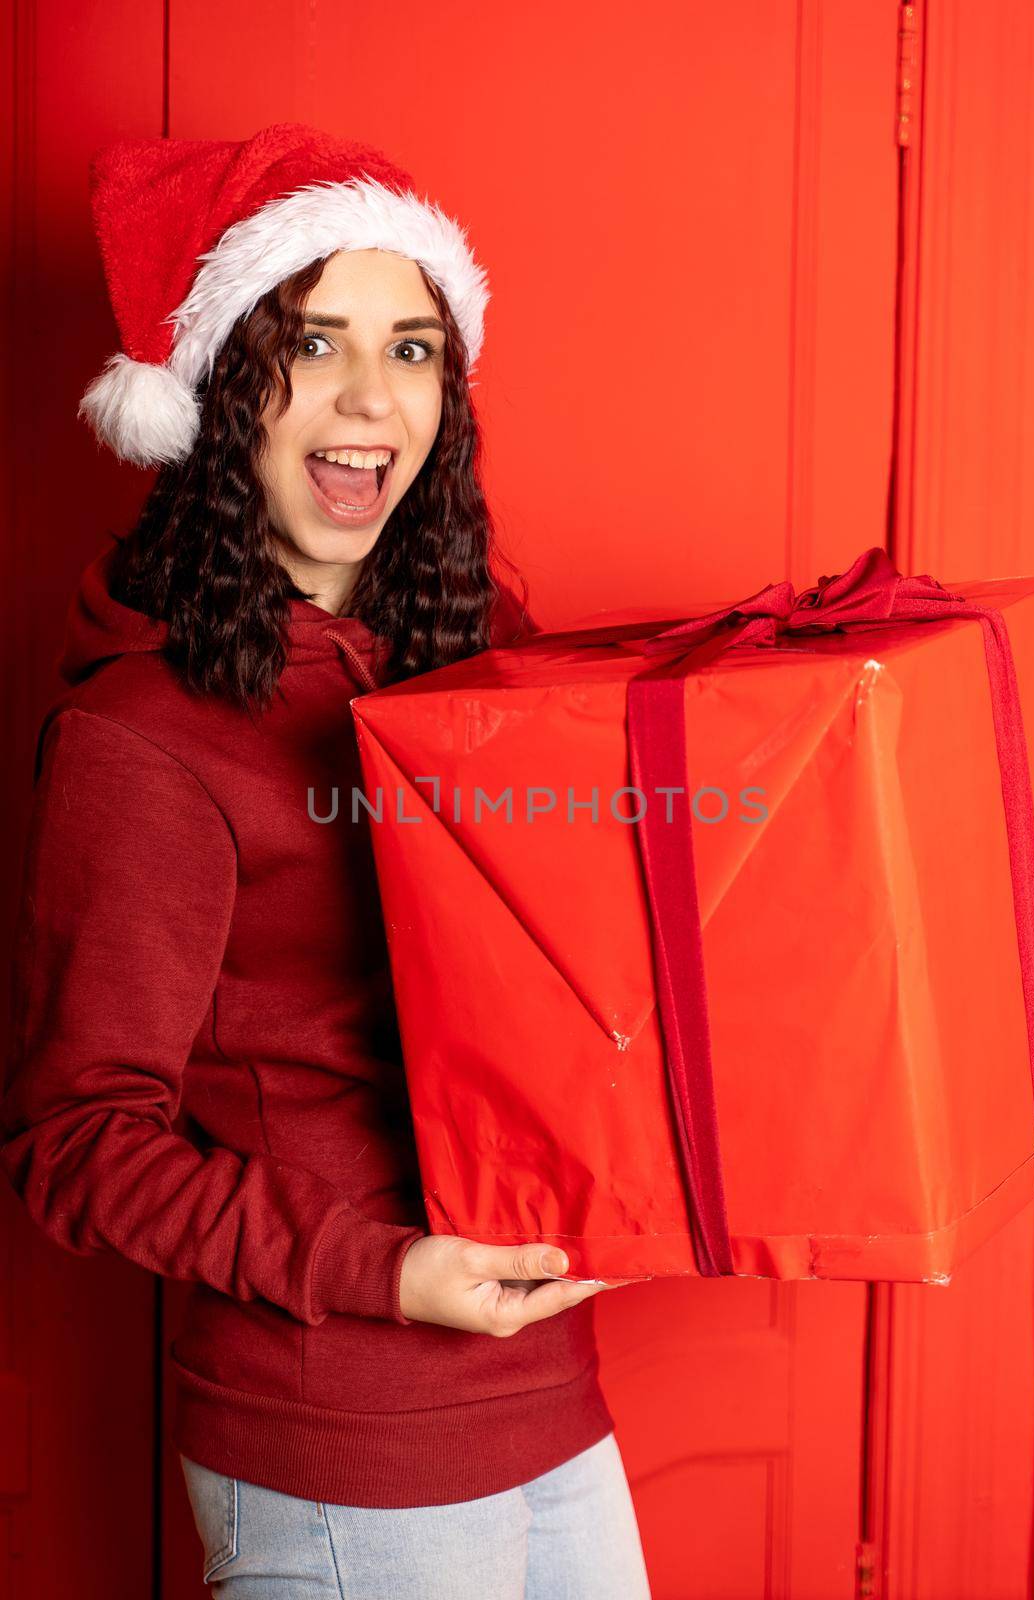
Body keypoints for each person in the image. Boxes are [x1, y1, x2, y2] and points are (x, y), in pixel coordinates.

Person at [0, 124, 652, 1597]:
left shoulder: (484, 666)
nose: (373, 397)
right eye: (314, 343)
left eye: (415, 349)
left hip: (549, 1390)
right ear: (220, 387)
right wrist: (387, 1274)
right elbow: (76, 1143)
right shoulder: (143, 734)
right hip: (335, 1434)